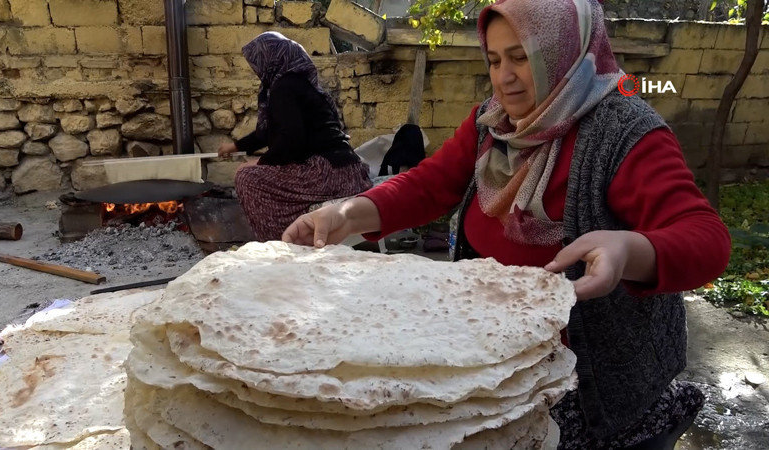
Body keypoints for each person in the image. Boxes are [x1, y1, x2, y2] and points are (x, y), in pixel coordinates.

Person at [282, 0, 731, 448]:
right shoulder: (495, 123)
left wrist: (629, 250)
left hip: (592, 383)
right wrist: (347, 213)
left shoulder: (624, 132)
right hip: (500, 355)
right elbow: (429, 185)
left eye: (521, 58)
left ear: (563, 53)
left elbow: (706, 237)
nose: (504, 78)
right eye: (495, 60)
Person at [218, 32, 372, 242]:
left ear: (270, 59)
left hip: (328, 174)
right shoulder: (302, 84)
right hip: (350, 170)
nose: (256, 69)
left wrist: (260, 163)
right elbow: (268, 132)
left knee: (247, 178)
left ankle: (279, 243)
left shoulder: (284, 88)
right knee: (254, 171)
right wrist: (235, 147)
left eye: (257, 61)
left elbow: (291, 141)